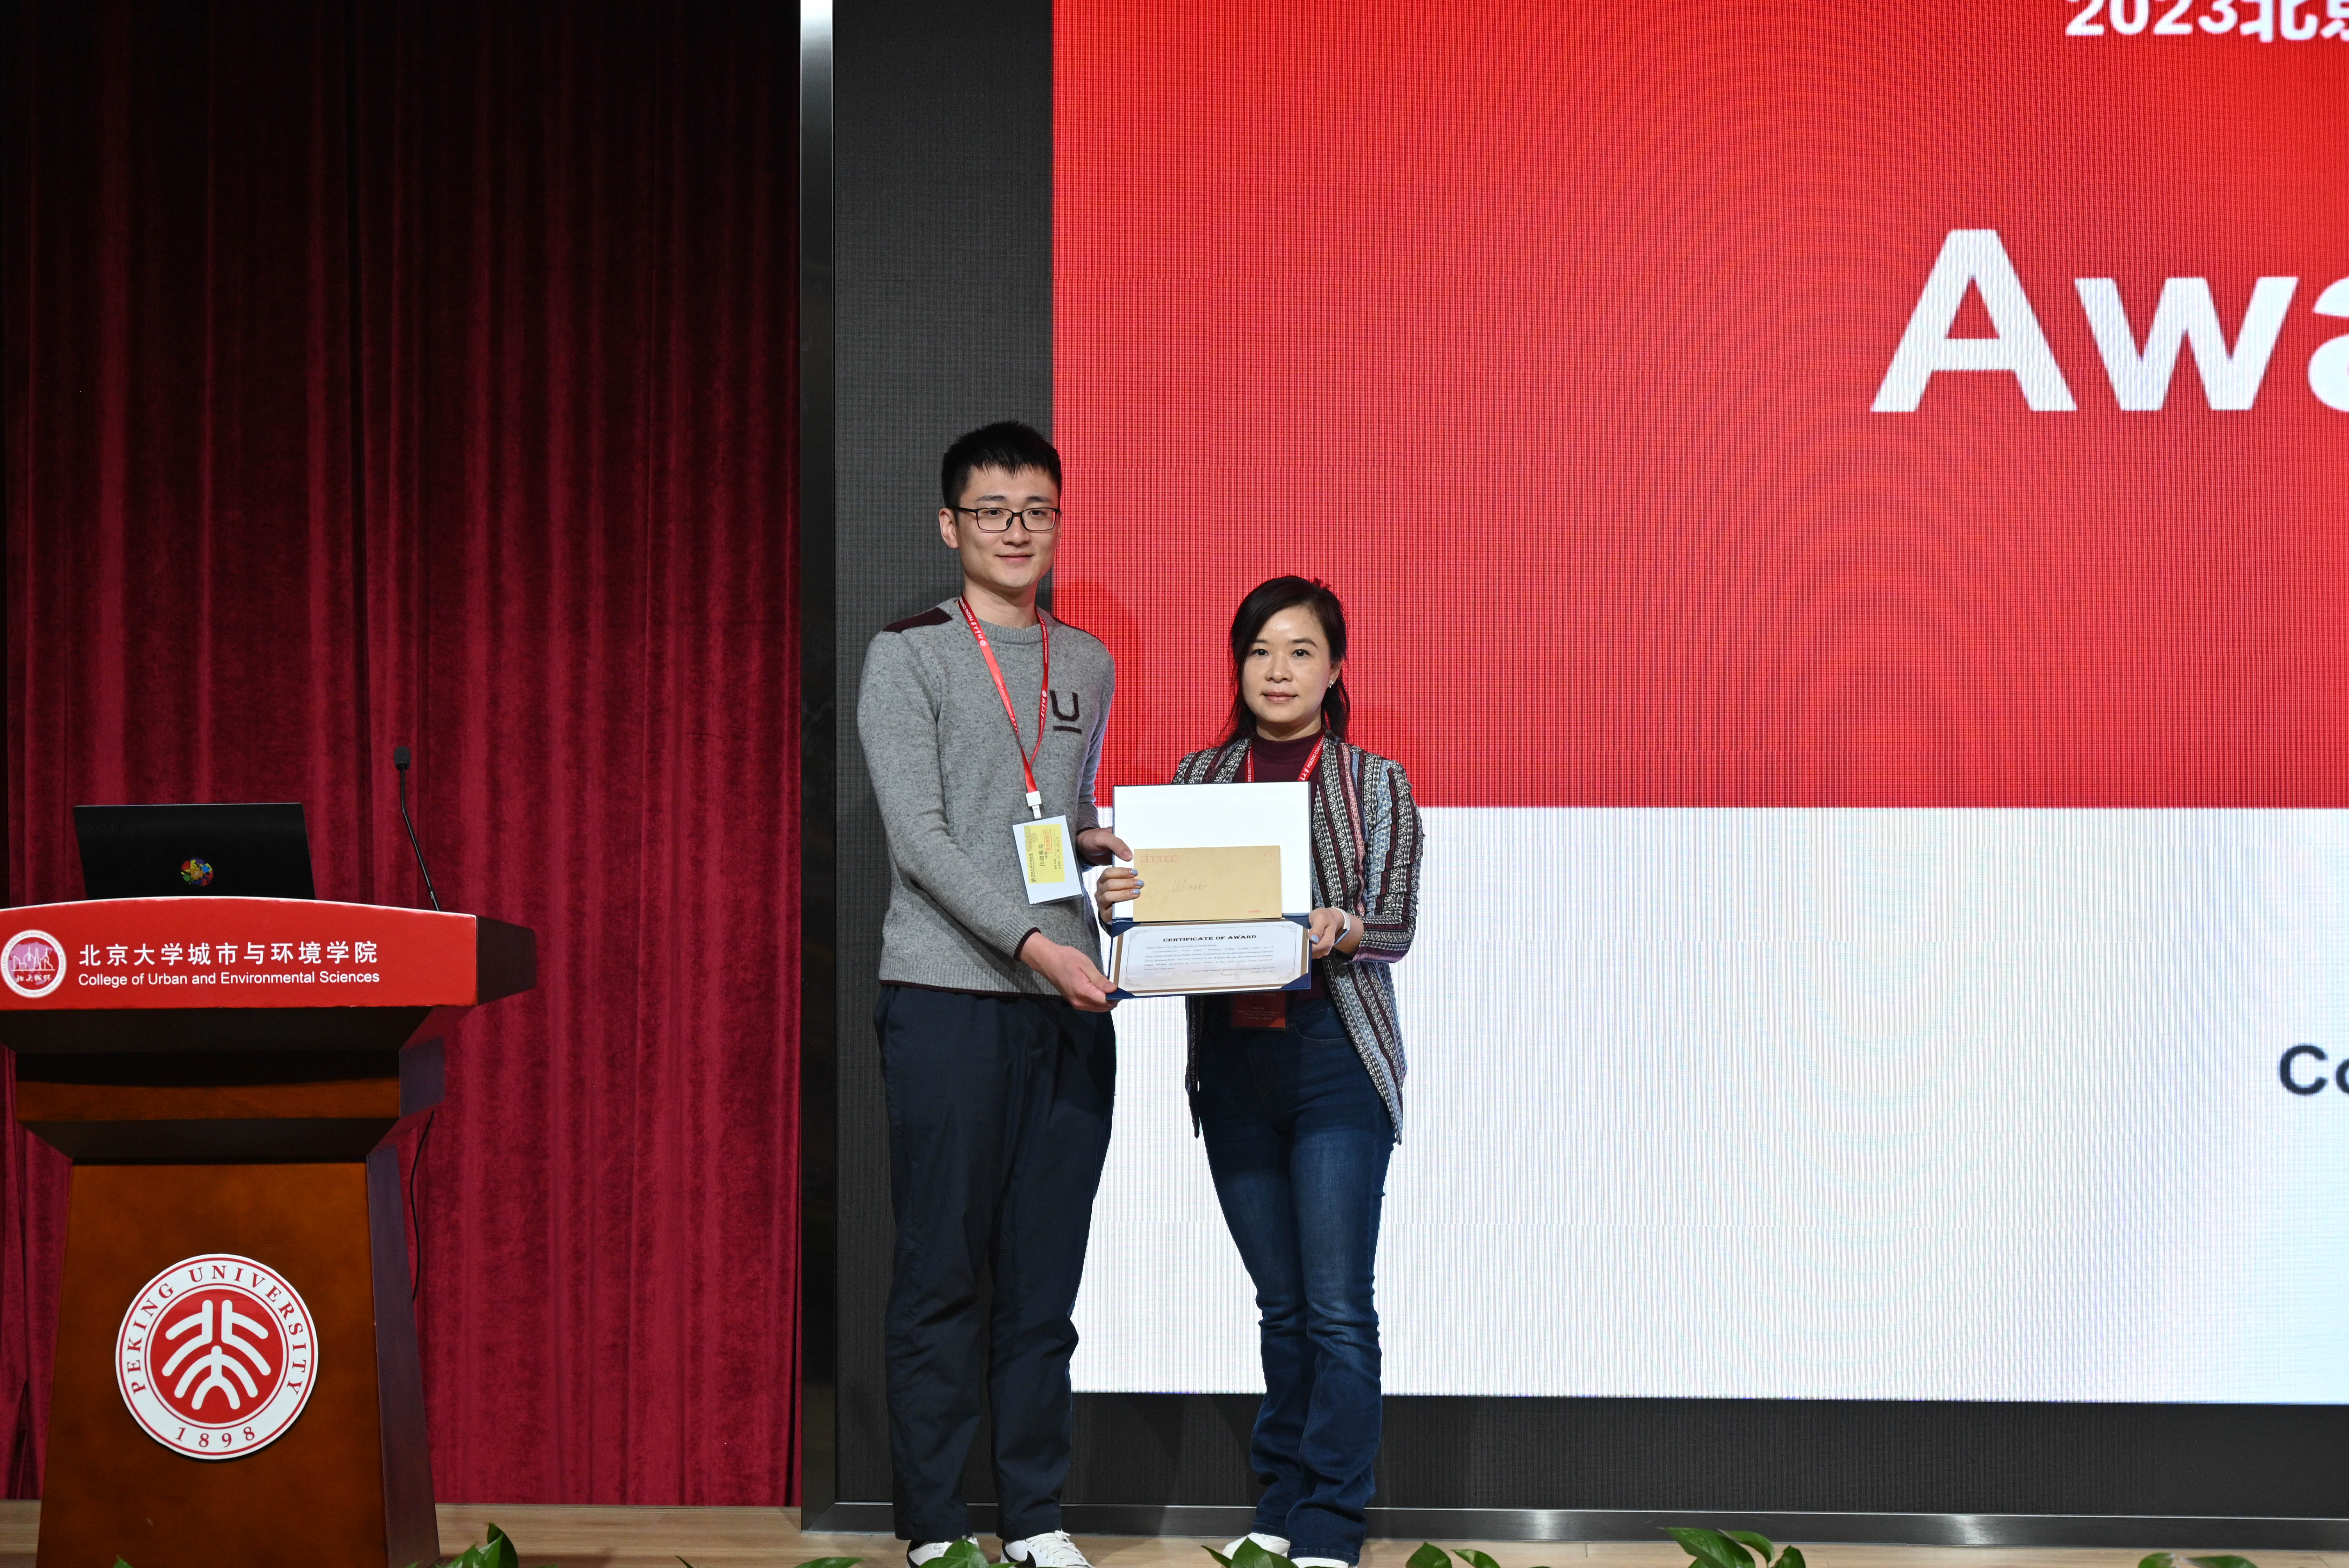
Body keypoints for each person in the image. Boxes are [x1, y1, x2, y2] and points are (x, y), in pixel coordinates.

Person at [1095, 576, 1423, 1568]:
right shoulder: (1196, 778)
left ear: (1334, 669)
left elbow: (1397, 924)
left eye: (1299, 651)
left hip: (1335, 1062)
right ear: (1238, 665)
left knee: (1336, 1307)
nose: (1277, 671)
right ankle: (1279, 1505)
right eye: (1259, 651)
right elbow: (1160, 924)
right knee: (1280, 1306)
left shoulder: (1373, 781)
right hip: (1233, 1067)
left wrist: (1344, 925)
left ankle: (1330, 1519)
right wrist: (1119, 905)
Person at [858, 421, 1128, 1568]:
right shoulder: (907, 654)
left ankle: (1035, 1517)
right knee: (940, 1273)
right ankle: (934, 1526)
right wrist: (1035, 944)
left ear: (1058, 522)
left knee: (1043, 1278)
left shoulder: (1088, 662)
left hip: (1067, 1007)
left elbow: (1052, 815)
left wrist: (1096, 849)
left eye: (1037, 512)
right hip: (947, 997)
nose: (1016, 531)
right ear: (950, 525)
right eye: (992, 512)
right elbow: (921, 841)